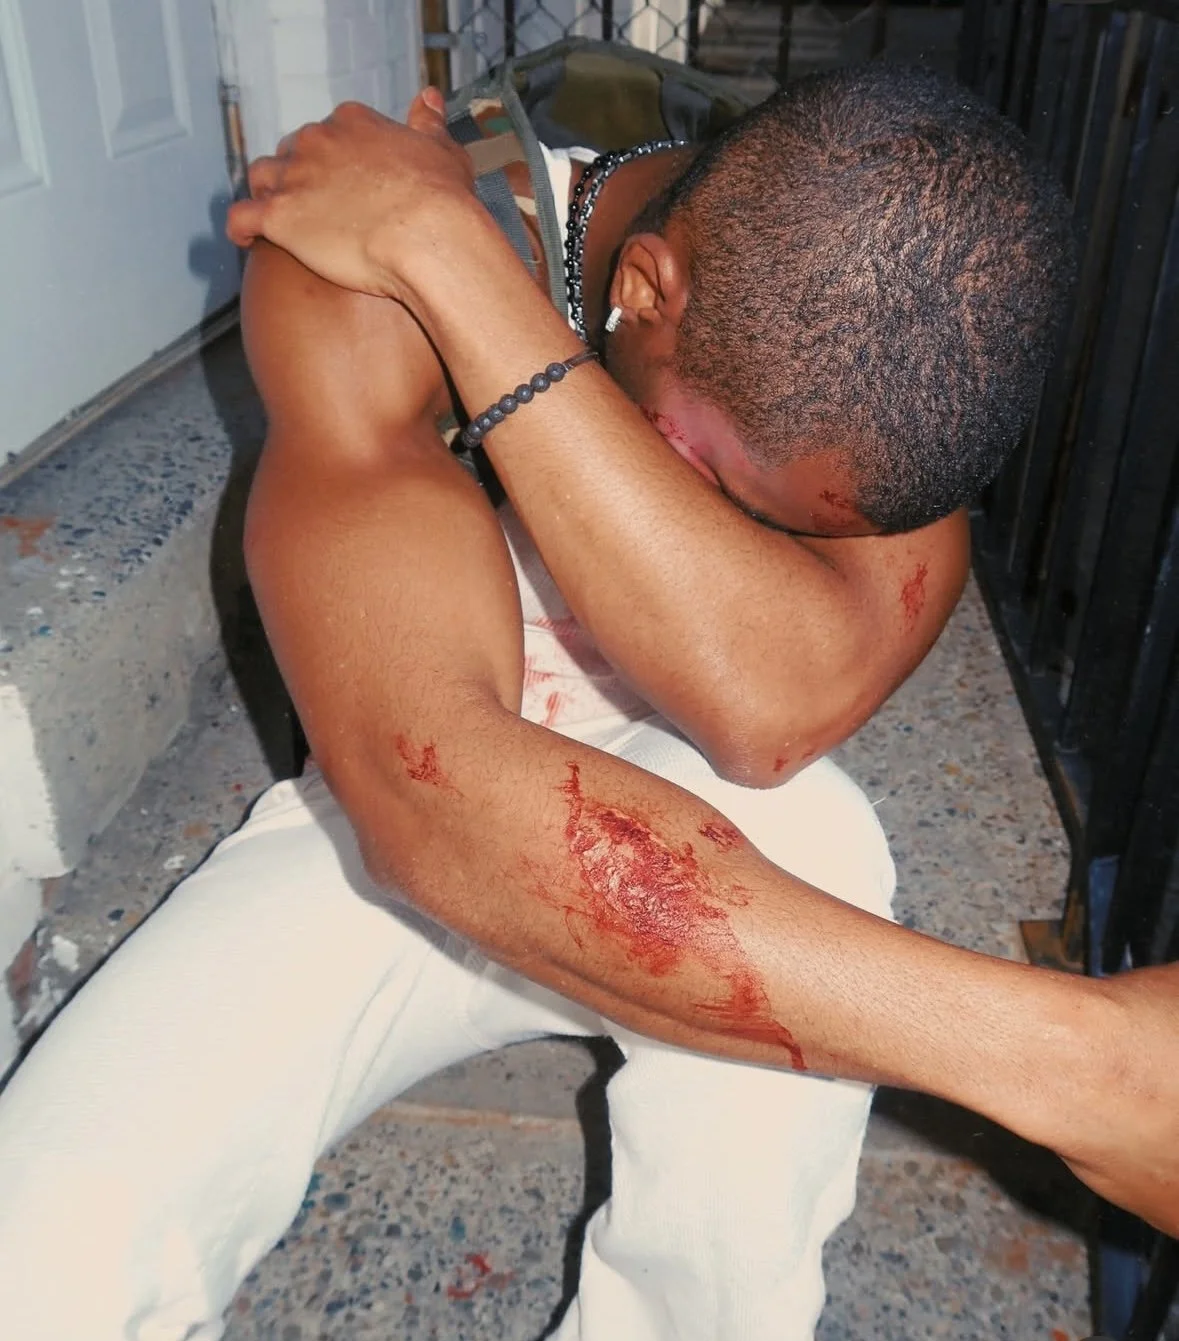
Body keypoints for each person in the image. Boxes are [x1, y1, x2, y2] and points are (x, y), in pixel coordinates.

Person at [0, 58, 1175, 1341]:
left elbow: (773, 707)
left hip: (714, 821)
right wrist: (1076, 1064)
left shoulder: (862, 327)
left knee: (826, 838)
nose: (719, 508)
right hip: (394, 836)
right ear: (645, 287)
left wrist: (460, 273)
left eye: (766, 524)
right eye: (707, 468)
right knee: (42, 1249)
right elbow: (427, 789)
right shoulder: (358, 270)